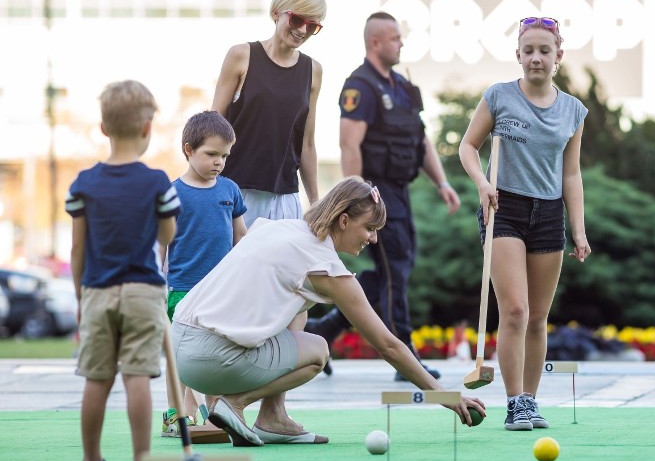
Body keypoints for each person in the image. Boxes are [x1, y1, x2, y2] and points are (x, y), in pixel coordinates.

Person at [171, 177, 485, 447]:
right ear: (344, 221)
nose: (373, 238)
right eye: (369, 228)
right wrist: (445, 396)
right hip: (212, 360)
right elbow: (387, 344)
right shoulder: (326, 268)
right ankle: (235, 405)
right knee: (317, 350)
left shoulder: (277, 229)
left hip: (181, 355)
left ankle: (274, 419)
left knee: (297, 311)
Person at [306, 11, 460, 380]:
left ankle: (324, 329)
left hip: (400, 191)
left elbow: (419, 139)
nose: (401, 43)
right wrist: (356, 199)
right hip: (374, 192)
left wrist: (442, 182)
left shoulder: (403, 87)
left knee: (397, 268)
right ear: (374, 42)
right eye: (394, 38)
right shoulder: (361, 86)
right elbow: (349, 144)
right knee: (394, 272)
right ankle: (403, 357)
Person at [458, 16, 591, 431]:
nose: (536, 57)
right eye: (529, 50)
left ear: (558, 56)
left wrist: (579, 229)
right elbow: (467, 146)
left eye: (544, 50)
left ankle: (531, 401)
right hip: (504, 207)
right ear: (518, 55)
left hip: (549, 212)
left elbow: (571, 174)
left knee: (537, 316)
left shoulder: (573, 110)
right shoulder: (498, 97)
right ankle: (515, 402)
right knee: (514, 309)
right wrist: (481, 184)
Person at [66, 80, 180, 461]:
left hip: (97, 290)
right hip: (143, 291)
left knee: (97, 377)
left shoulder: (83, 184)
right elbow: (166, 236)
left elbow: (77, 249)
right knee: (137, 376)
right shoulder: (157, 183)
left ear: (103, 128)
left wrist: (82, 296)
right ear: (149, 128)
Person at [161, 111, 248, 438]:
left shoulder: (230, 190)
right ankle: (174, 416)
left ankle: (216, 416)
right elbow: (161, 244)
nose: (219, 162)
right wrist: (158, 282)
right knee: (181, 360)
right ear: (189, 149)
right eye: (211, 154)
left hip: (222, 291)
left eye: (224, 155)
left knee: (215, 355)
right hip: (183, 290)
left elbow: (241, 237)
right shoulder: (172, 194)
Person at [211, 0, 325, 227]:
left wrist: (316, 205)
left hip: (284, 197)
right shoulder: (241, 55)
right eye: (297, 20)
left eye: (313, 25)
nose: (303, 30)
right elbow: (213, 124)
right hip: (235, 191)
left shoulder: (313, 71)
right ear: (276, 13)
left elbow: (306, 142)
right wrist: (203, 187)